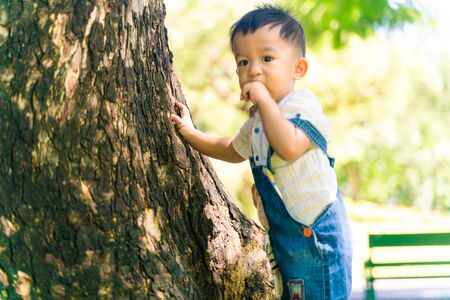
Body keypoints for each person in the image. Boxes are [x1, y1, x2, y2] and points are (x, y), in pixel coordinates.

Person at [171, 4, 352, 300]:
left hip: (318, 241)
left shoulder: (302, 104)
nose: (253, 69)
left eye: (267, 58)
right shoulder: (257, 121)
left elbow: (290, 146)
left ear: (298, 68)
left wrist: (265, 103)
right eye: (243, 62)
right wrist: (190, 133)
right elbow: (230, 149)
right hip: (288, 241)